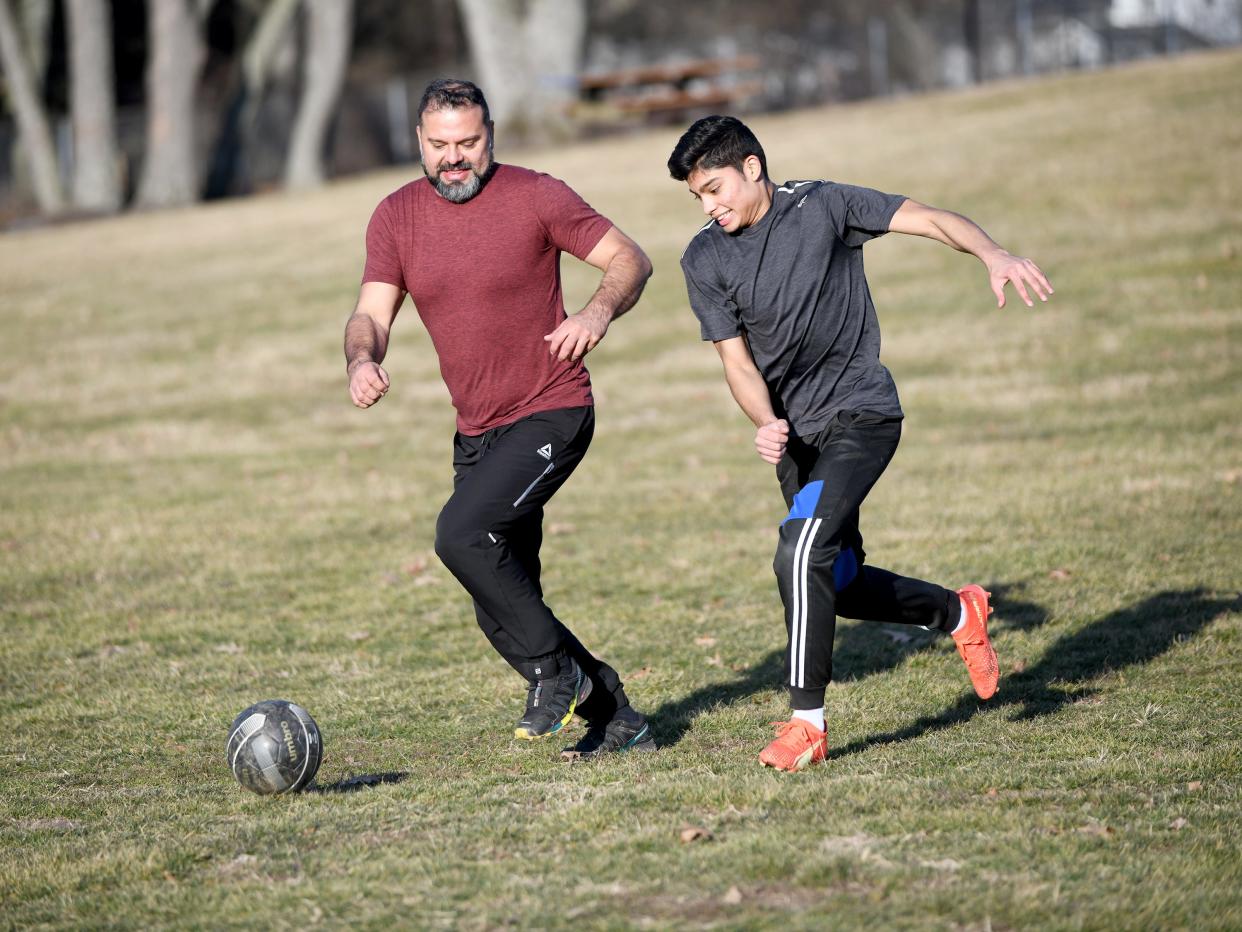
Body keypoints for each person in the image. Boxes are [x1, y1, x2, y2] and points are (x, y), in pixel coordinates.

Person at [668, 116, 1053, 772]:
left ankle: (807, 725)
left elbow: (930, 218)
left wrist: (994, 254)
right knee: (835, 581)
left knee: (798, 551)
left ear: (753, 166)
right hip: (797, 439)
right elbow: (735, 360)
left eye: (715, 187)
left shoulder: (825, 206)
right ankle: (958, 612)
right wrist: (764, 420)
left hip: (861, 417)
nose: (710, 205)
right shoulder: (703, 257)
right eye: (698, 197)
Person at [345, 79, 655, 759]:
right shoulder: (395, 217)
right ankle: (619, 718)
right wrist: (361, 361)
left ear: (491, 136)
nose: (455, 158)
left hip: (552, 408)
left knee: (462, 533)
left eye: (469, 143)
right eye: (440, 145)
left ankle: (555, 674)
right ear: (418, 142)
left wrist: (596, 312)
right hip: (476, 430)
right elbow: (371, 313)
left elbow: (629, 259)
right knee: (501, 609)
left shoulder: (536, 195)